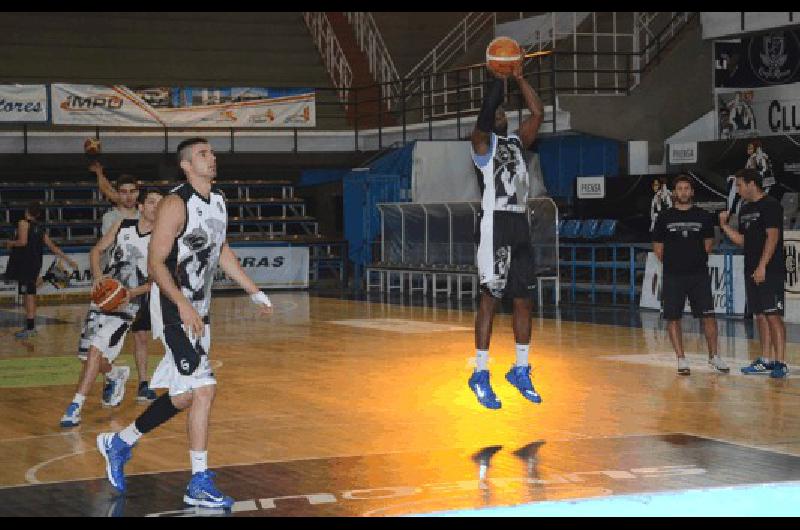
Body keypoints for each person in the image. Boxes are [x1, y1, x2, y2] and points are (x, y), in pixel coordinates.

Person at [96, 138, 273, 508]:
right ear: (186, 166)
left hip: (198, 312)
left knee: (185, 395)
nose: (212, 158)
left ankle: (120, 442)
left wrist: (253, 290)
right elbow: (156, 264)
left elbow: (221, 250)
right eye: (203, 154)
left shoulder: (220, 201)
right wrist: (182, 306)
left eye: (212, 152)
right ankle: (198, 481)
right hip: (174, 310)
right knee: (206, 389)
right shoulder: (177, 204)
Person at [467, 62, 544, 410]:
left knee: (524, 299)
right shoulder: (481, 145)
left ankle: (521, 367)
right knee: (490, 299)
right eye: (495, 110)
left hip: (519, 224)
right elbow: (484, 117)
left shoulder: (517, 141)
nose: (498, 113)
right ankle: (480, 373)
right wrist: (497, 83)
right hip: (494, 224)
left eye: (502, 110)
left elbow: (538, 112)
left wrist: (518, 77)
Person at [60, 189, 163, 427]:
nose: (155, 207)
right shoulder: (122, 225)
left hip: (128, 306)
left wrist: (129, 293)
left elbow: (155, 281)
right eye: (151, 202)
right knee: (86, 356)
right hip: (104, 296)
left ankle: (75, 407)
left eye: (160, 203)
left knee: (96, 349)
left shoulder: (162, 240)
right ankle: (114, 374)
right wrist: (98, 277)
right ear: (141, 207)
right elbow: (96, 251)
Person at [78, 168, 156, 404]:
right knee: (102, 342)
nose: (128, 196)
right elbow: (103, 251)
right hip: (113, 284)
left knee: (141, 336)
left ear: (138, 195)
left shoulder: (152, 219)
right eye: (123, 192)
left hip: (138, 285)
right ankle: (110, 380)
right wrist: (100, 278)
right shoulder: (112, 219)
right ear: (117, 195)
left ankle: (143, 383)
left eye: (133, 192)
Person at [652, 175, 730, 375]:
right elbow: (658, 249)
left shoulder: (703, 216)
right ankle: (681, 359)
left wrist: (693, 260)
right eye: (680, 188)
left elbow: (708, 245)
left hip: (698, 276)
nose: (683, 192)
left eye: (687, 188)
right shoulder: (664, 217)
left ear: (692, 192)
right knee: (673, 318)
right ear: (674, 192)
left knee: (709, 317)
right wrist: (675, 263)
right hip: (673, 276)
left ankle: (714, 357)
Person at [719, 168, 789, 378]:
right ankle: (766, 359)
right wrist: (723, 226)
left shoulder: (771, 205)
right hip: (751, 269)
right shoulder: (745, 209)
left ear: (752, 184)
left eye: (740, 185)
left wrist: (762, 266)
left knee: (773, 315)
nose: (738, 190)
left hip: (769, 270)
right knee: (759, 315)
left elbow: (773, 237)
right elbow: (743, 240)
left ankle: (781, 362)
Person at [5, 204, 78, 339]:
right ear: (38, 215)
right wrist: (68, 260)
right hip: (34, 263)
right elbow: (53, 247)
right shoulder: (40, 228)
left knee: (29, 294)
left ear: (27, 212)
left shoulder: (23, 223)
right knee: (29, 292)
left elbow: (22, 242)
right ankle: (30, 325)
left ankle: (31, 328)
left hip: (24, 263)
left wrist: (10, 243)